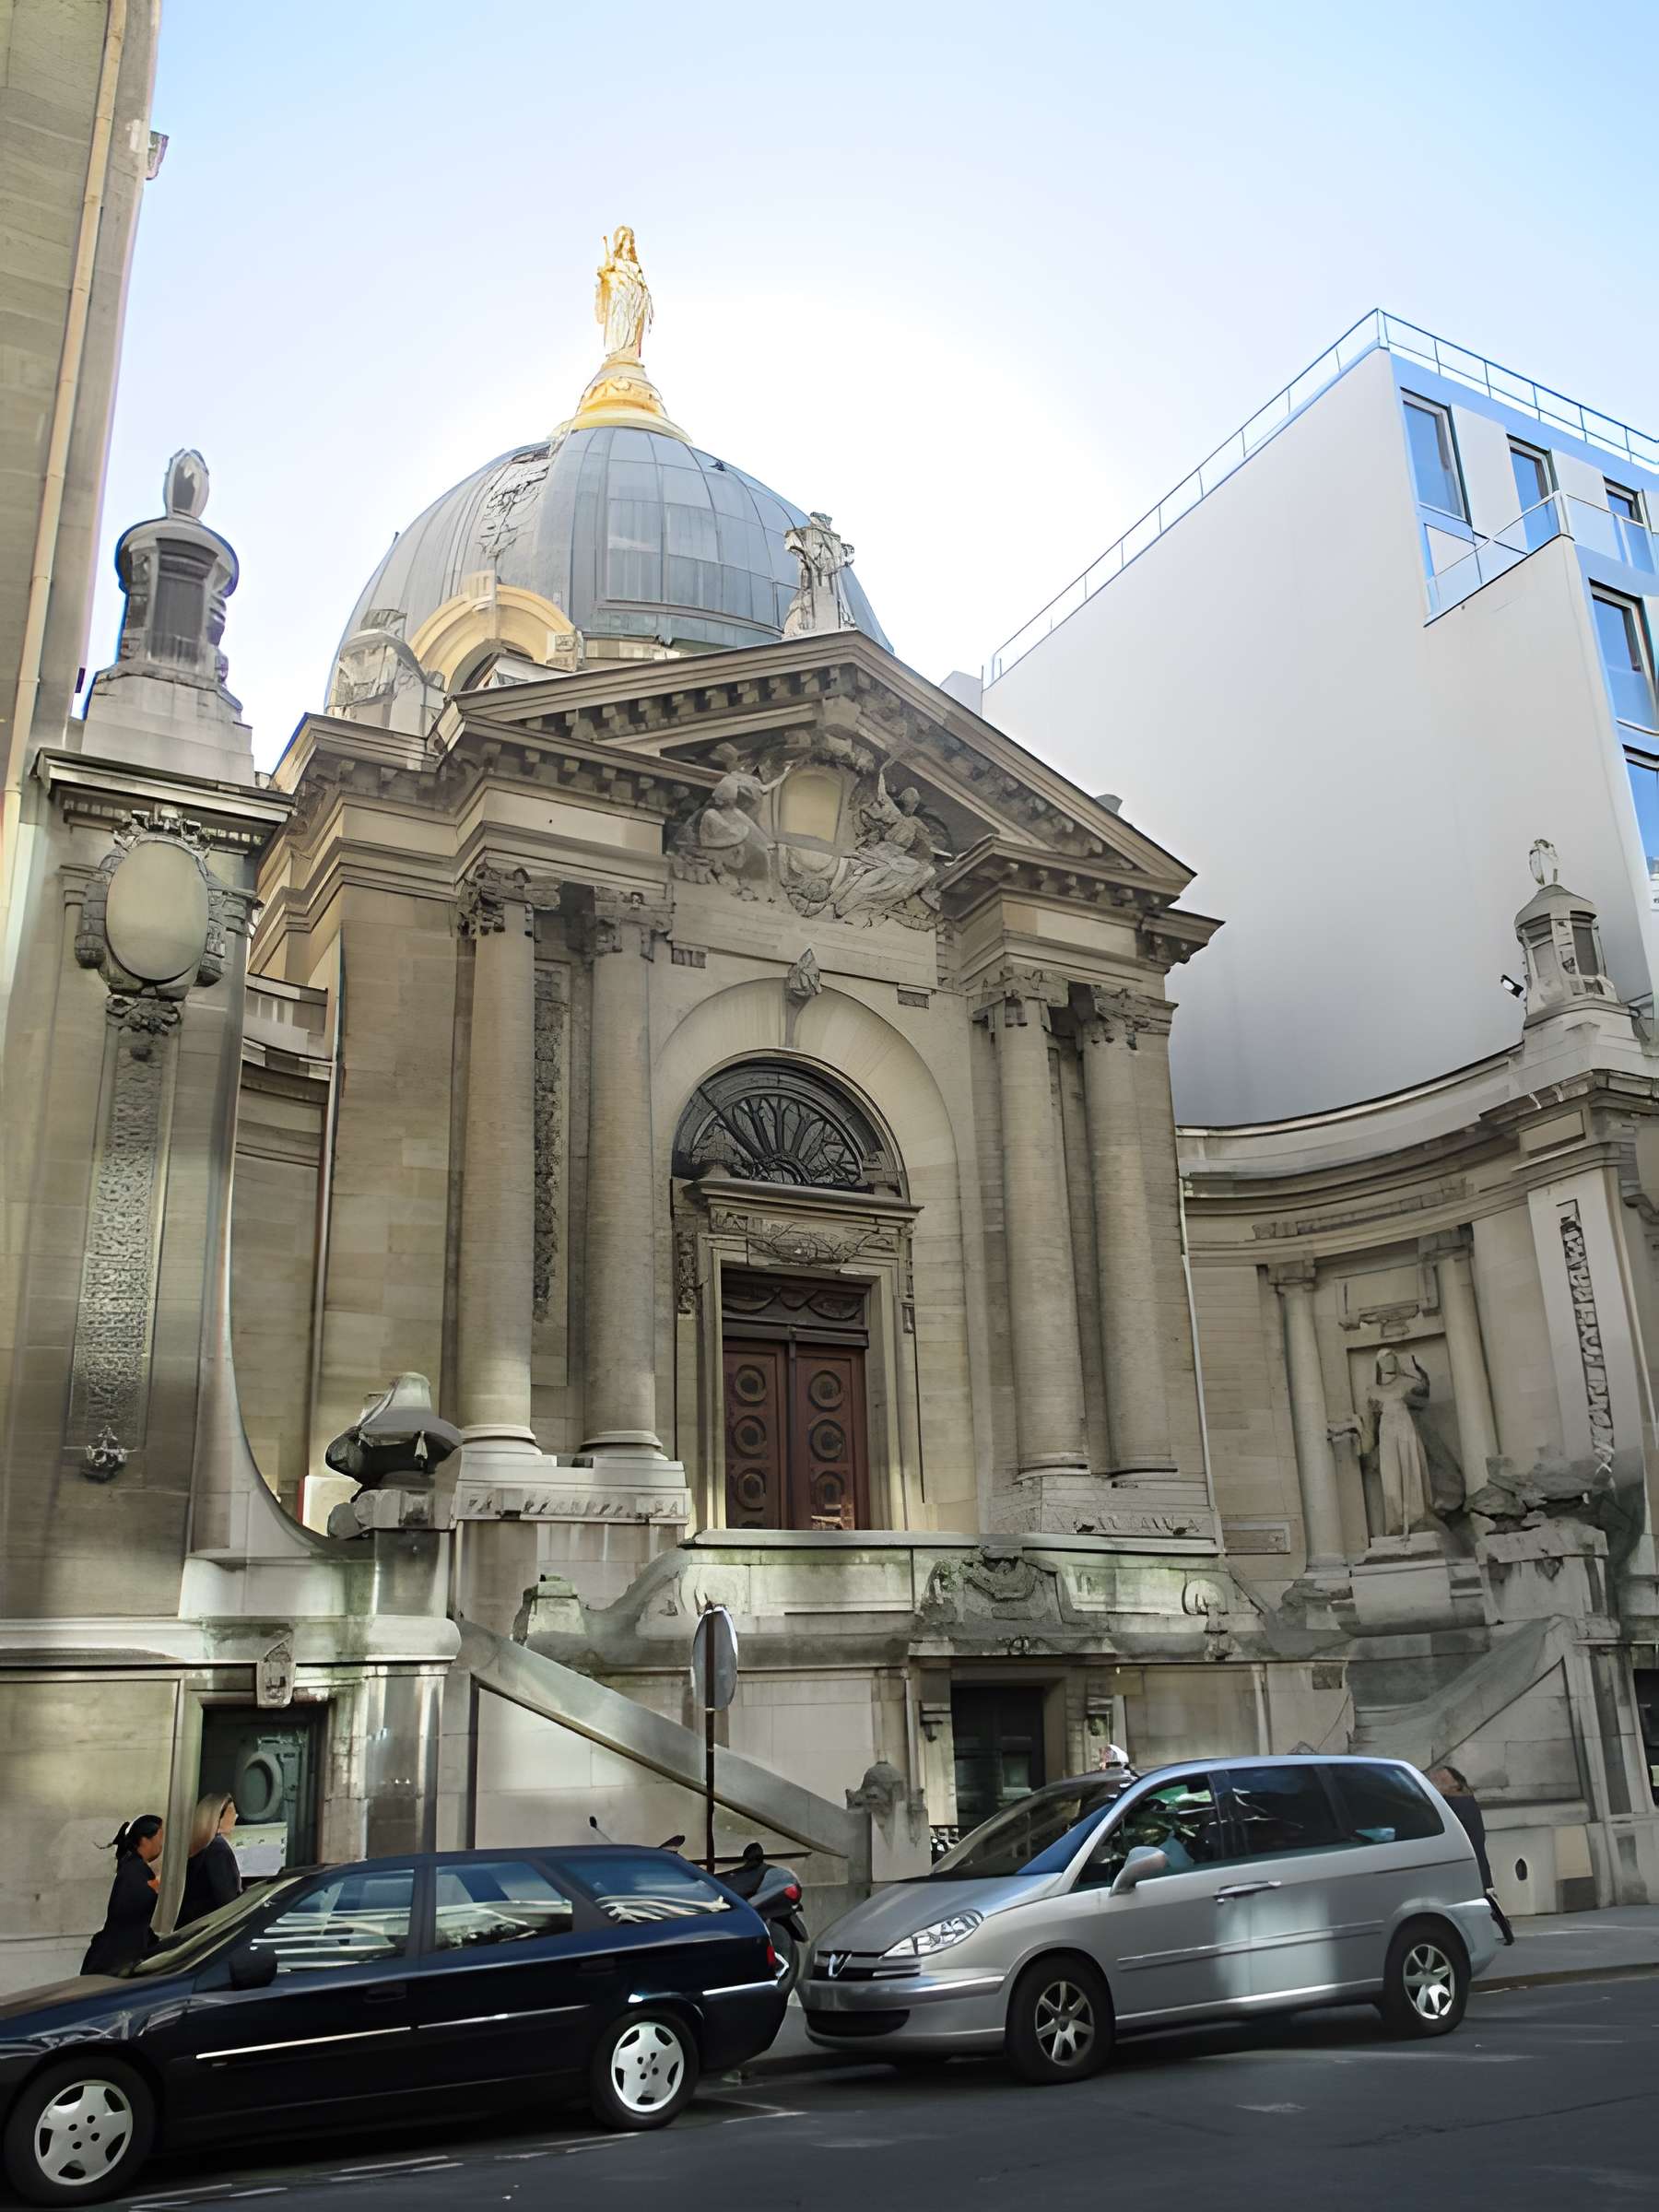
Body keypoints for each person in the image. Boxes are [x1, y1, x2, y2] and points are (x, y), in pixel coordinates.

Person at [1430, 1764, 1515, 1947]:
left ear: (1453, 1784)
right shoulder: (1466, 1799)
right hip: (1475, 1856)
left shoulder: (1455, 1803)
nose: (1437, 1783)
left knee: (1483, 1897)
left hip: (1468, 1858)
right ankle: (1505, 1928)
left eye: (1441, 1780)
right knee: (1487, 1896)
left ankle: (1502, 1929)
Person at [81, 1813, 164, 1976]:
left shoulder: (132, 1867)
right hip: (116, 1961)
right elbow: (133, 1917)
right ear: (144, 1840)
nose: (162, 1844)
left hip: (115, 1957)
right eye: (160, 1837)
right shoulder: (136, 1871)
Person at [178, 1791, 241, 1927]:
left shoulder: (197, 1848)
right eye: (232, 1813)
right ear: (218, 1817)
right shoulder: (218, 1848)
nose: (235, 1818)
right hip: (211, 1926)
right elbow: (226, 1899)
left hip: (192, 1925)